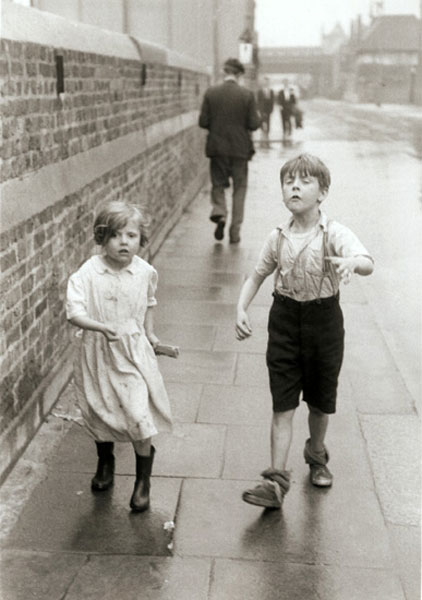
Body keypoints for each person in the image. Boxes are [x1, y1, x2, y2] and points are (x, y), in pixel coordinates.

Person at [235, 154, 374, 509]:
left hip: (324, 323)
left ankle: (316, 454)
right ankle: (275, 481)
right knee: (282, 402)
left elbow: (367, 262)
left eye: (305, 181)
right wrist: (240, 308)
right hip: (284, 321)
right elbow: (257, 275)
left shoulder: (334, 233)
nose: (295, 186)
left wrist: (352, 263)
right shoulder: (277, 237)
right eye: (289, 181)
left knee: (319, 401)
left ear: (322, 192)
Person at [66, 200, 173, 512]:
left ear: (141, 239)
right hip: (98, 349)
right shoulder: (89, 272)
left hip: (133, 352)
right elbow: (74, 312)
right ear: (103, 238)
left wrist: (150, 335)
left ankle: (143, 480)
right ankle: (105, 462)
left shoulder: (144, 272)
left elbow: (149, 302)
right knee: (101, 410)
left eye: (131, 235)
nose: (124, 242)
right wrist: (100, 327)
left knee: (139, 415)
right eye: (115, 236)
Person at [199, 57, 260, 244]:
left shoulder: (211, 93)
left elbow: (203, 122)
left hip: (217, 149)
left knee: (218, 184)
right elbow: (253, 123)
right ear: (239, 74)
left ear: (224, 72)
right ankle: (235, 231)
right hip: (240, 150)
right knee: (239, 189)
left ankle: (220, 212)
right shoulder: (247, 95)